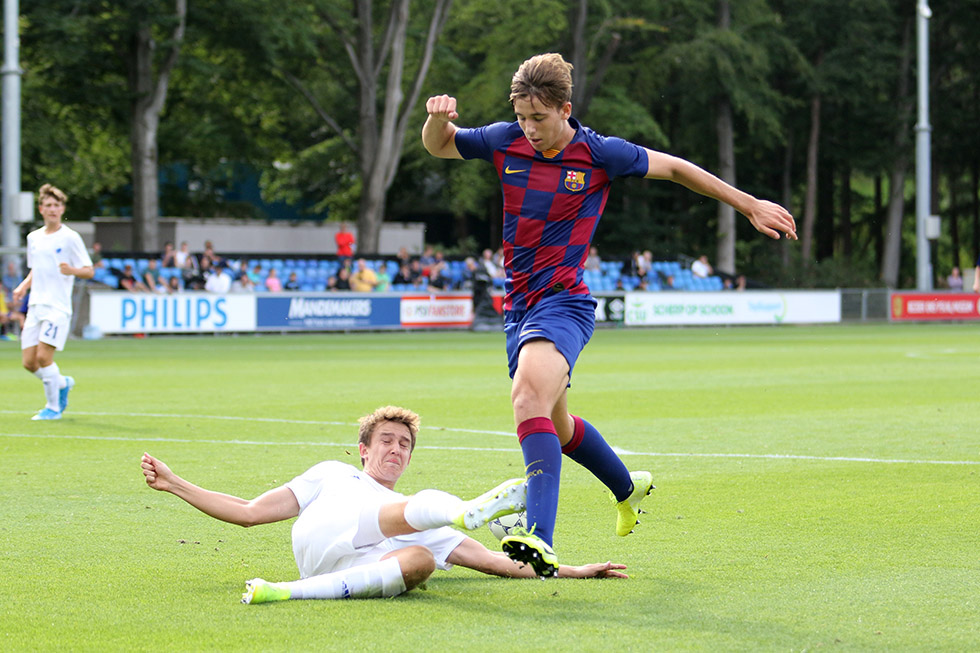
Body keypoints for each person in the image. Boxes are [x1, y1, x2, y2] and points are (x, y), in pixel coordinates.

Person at [423, 53, 797, 576]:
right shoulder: (501, 138)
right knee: (554, 421)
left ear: (565, 109)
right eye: (523, 117)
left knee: (527, 394)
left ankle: (538, 535)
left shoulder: (599, 153)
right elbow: (440, 145)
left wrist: (747, 203)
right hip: (520, 309)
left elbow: (677, 168)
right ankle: (627, 486)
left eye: (539, 119)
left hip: (564, 303)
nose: (529, 129)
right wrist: (438, 119)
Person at [140, 405, 626, 604]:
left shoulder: (417, 515)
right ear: (364, 450)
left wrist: (575, 570)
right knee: (410, 515)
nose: (396, 450)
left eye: (404, 445)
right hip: (327, 531)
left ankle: (284, 592)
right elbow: (248, 512)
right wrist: (176, 484)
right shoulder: (334, 473)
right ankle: (467, 512)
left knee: (420, 560)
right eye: (386, 442)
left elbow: (497, 562)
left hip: (351, 568)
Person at [13, 184, 94, 420]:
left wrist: (72, 270)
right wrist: (23, 285)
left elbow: (89, 271)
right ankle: (61, 382)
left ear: (62, 209)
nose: (52, 209)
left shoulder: (70, 237)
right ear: (41, 209)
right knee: (29, 362)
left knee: (43, 358)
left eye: (57, 205)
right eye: (48, 205)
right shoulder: (34, 238)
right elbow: (35, 269)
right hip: (36, 305)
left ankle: (53, 408)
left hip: (57, 307)